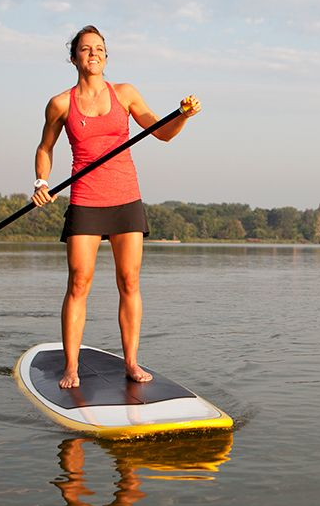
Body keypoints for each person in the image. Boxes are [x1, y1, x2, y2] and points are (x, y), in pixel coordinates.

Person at [32, 25, 201, 389]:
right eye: (85, 49)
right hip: (86, 200)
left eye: (99, 49)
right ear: (74, 56)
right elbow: (45, 148)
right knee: (78, 282)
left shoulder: (125, 94)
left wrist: (182, 116)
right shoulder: (61, 103)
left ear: (106, 56)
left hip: (125, 198)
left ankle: (131, 362)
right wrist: (41, 183)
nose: (93, 54)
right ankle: (72, 367)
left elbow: (162, 132)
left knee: (129, 281)